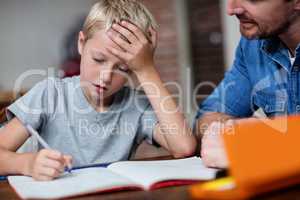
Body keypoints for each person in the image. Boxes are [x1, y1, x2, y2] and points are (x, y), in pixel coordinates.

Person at [0, 0, 196, 181]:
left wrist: (147, 70)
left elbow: (184, 147)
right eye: (98, 60)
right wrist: (28, 164)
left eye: (123, 68)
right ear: (81, 43)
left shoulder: (137, 105)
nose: (106, 77)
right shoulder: (50, 94)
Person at [195, 0, 300, 168]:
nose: (231, 9)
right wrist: (241, 136)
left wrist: (257, 141)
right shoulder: (253, 46)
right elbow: (206, 119)